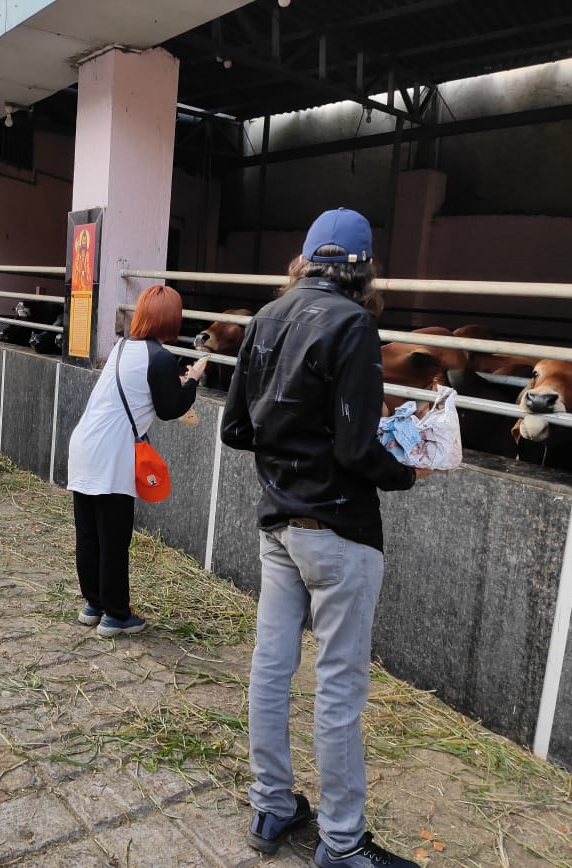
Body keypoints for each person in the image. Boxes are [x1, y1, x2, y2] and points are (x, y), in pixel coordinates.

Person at [221, 208, 428, 868]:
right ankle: (342, 843)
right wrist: (409, 469)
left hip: (278, 524)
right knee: (339, 687)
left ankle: (272, 805)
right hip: (339, 529)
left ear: (304, 260)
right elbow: (356, 447)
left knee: (270, 667)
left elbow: (234, 430)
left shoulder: (265, 319)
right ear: (364, 269)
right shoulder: (355, 325)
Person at [66, 285, 209, 638]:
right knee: (113, 537)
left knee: (88, 534)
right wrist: (192, 380)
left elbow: (141, 389)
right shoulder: (160, 357)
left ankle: (93, 604)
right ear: (171, 320)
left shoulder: (122, 347)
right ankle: (116, 615)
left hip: (84, 445)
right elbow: (169, 408)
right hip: (112, 453)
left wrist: (175, 383)